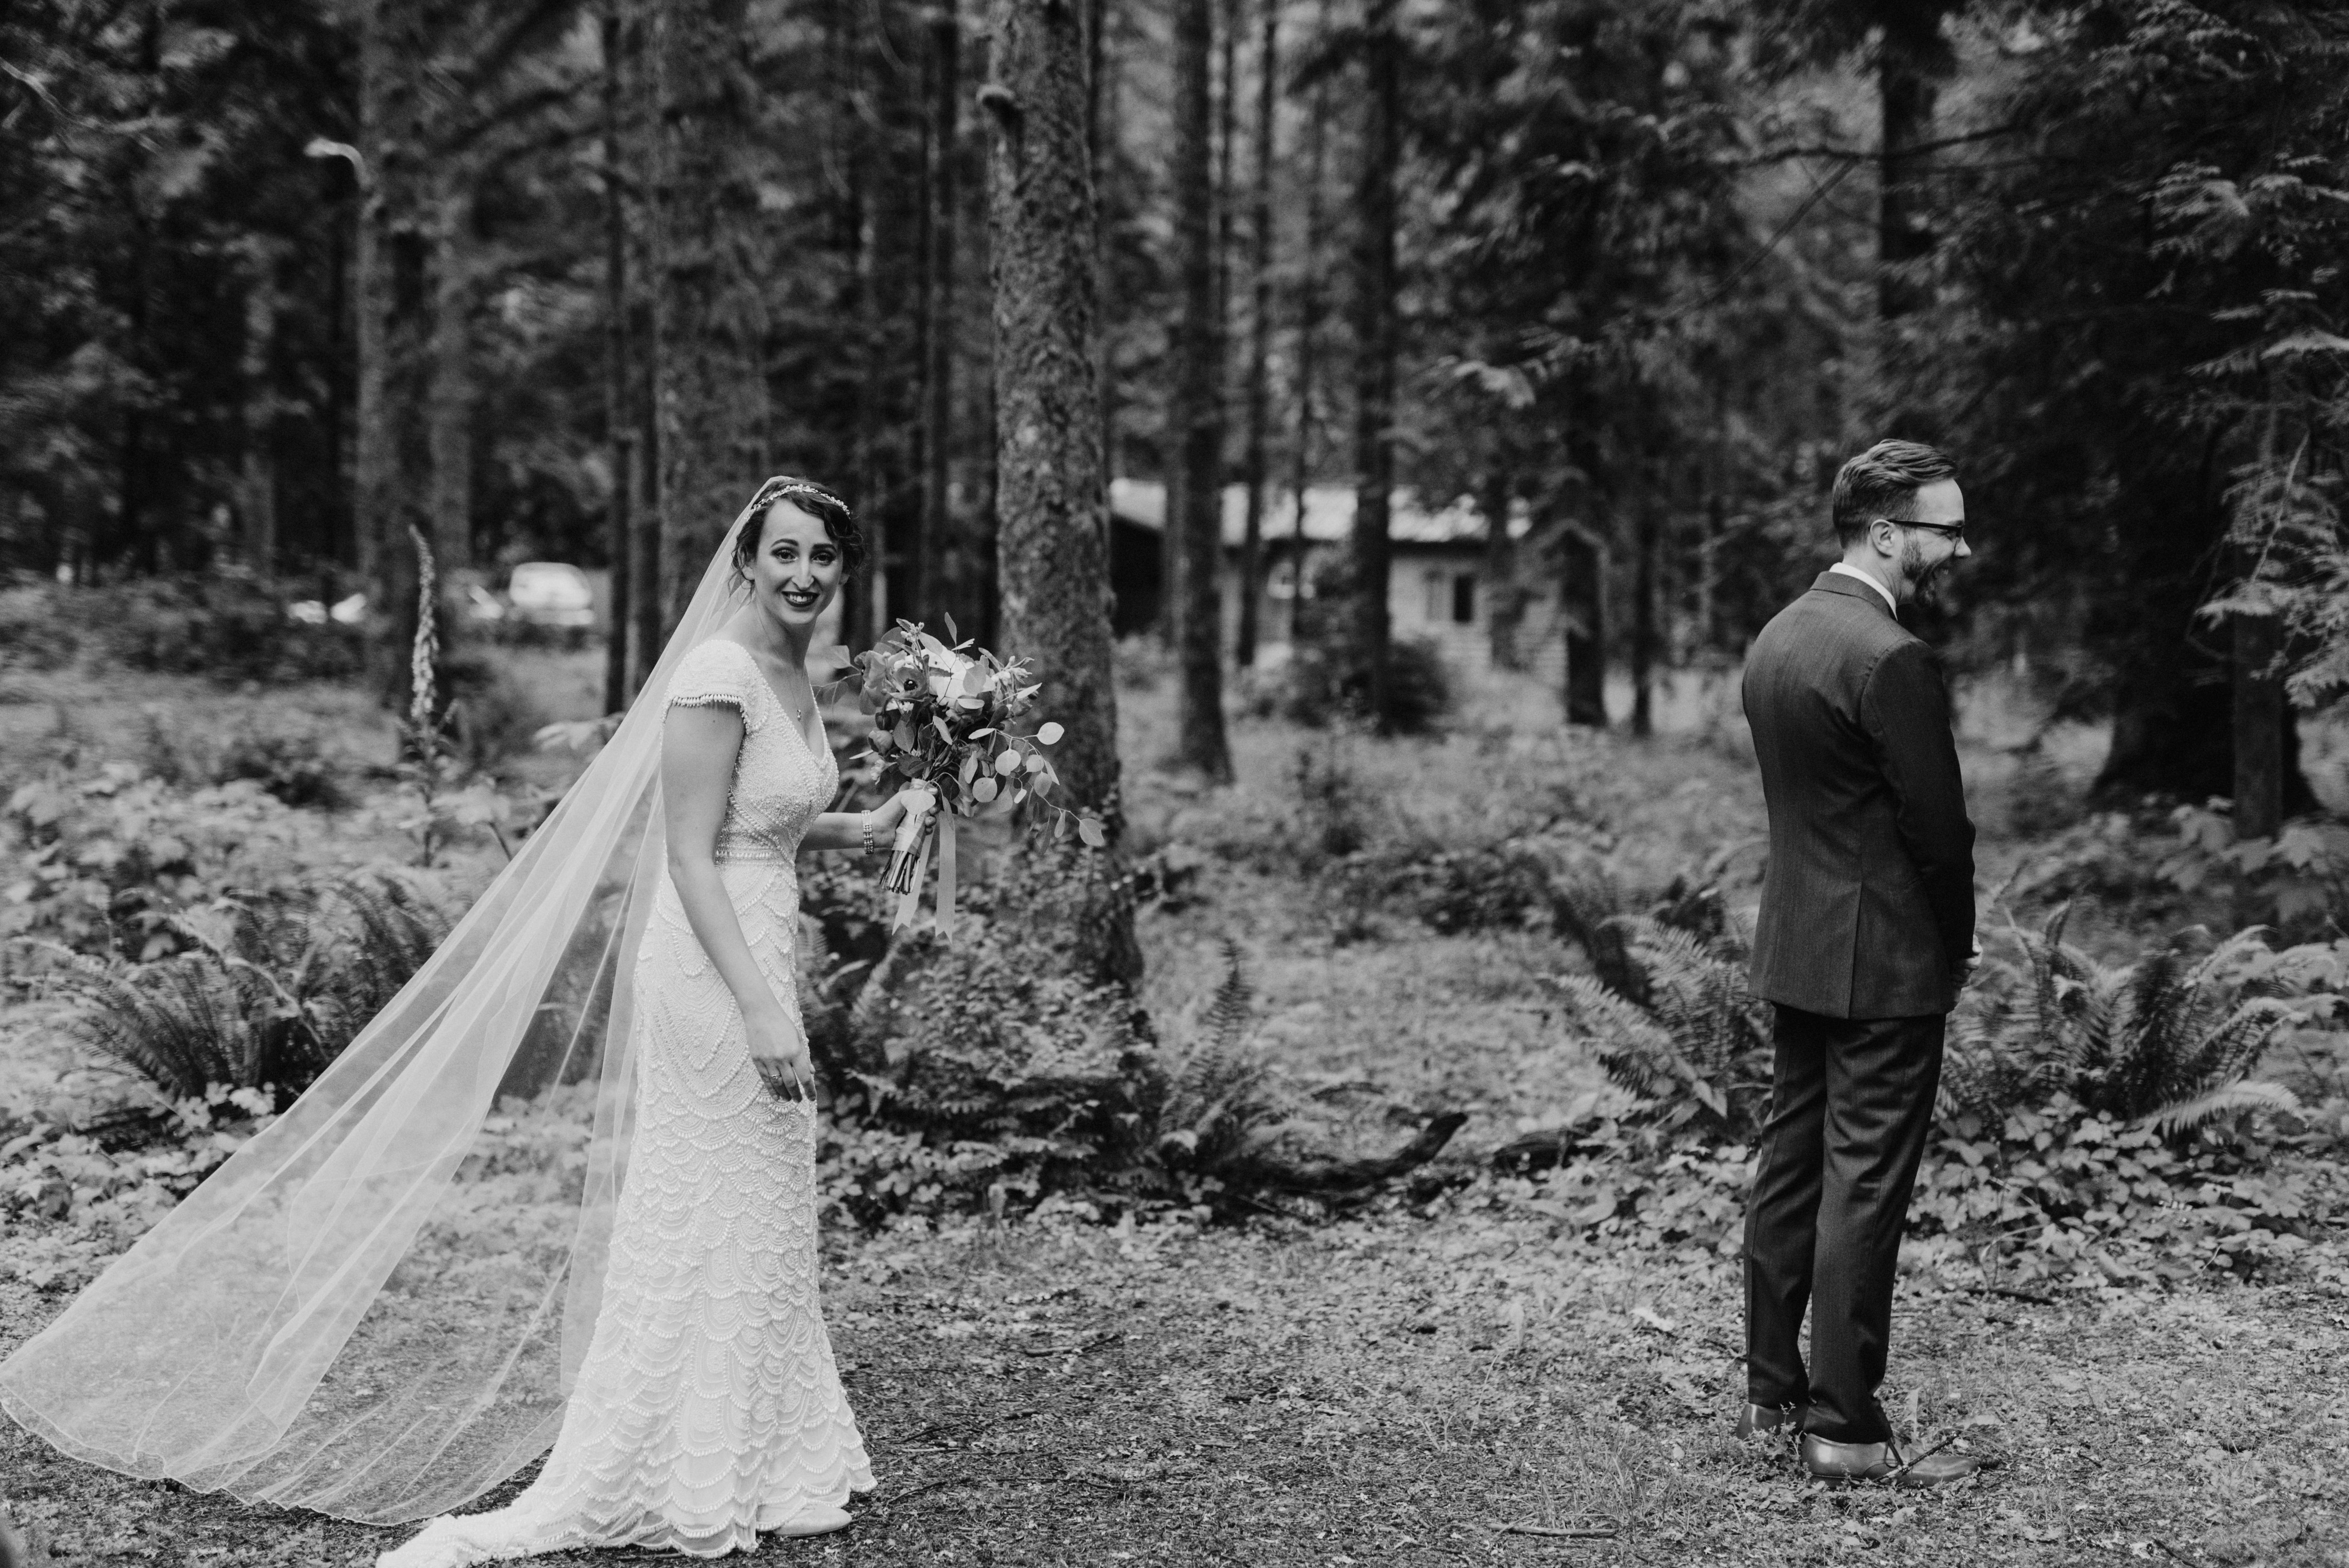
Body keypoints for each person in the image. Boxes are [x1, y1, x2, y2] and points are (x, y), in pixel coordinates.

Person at [0, 479, 921, 1559]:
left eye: (824, 558)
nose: (805, 575)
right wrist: (763, 1011)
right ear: (748, 562)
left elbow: (760, 827)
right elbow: (686, 852)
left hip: (759, 941)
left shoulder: (790, 674)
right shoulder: (717, 672)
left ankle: (757, 1449)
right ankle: (673, 1454)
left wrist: (874, 822)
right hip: (715, 972)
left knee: (760, 1194)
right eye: (787, 555)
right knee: (712, 1188)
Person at [1736, 439, 1983, 1487]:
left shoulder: (1779, 637)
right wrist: (1955, 946)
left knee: (1792, 1167)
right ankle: (1844, 1430)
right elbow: (1939, 834)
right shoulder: (1891, 659)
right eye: (1945, 531)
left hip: (1799, 946)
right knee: (1863, 1188)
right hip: (1885, 963)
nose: (1961, 549)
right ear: (1886, 534)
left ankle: (1770, 1390)